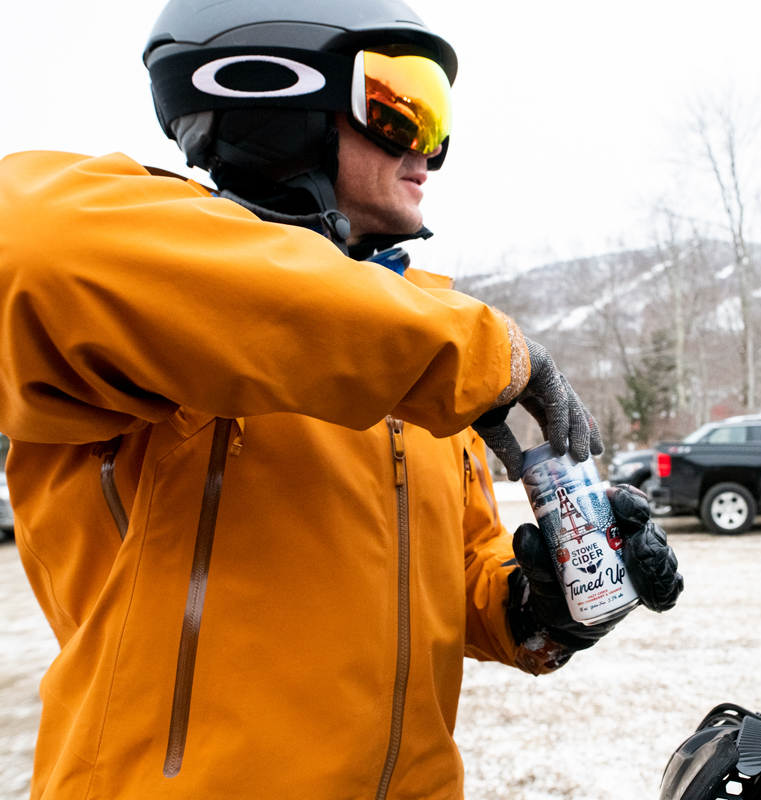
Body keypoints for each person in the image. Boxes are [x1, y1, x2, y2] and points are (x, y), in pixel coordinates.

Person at [0, 1, 684, 798]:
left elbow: (459, 572)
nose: (430, 150)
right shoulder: (148, 300)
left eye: (439, 122)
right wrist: (458, 349)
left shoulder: (412, 341)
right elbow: (27, 242)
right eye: (403, 106)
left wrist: (537, 606)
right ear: (277, 100)